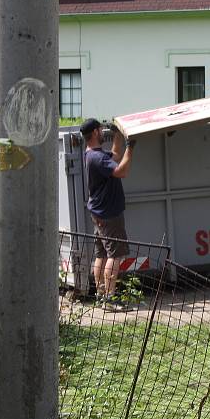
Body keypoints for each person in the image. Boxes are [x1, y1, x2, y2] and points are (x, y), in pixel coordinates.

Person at [80, 118, 135, 309]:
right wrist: (131, 147)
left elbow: (115, 155)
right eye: (102, 130)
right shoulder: (97, 158)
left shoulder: (92, 154)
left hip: (99, 213)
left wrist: (119, 134)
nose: (104, 132)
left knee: (101, 255)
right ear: (95, 132)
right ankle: (109, 300)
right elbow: (121, 171)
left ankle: (101, 296)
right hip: (109, 214)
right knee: (115, 256)